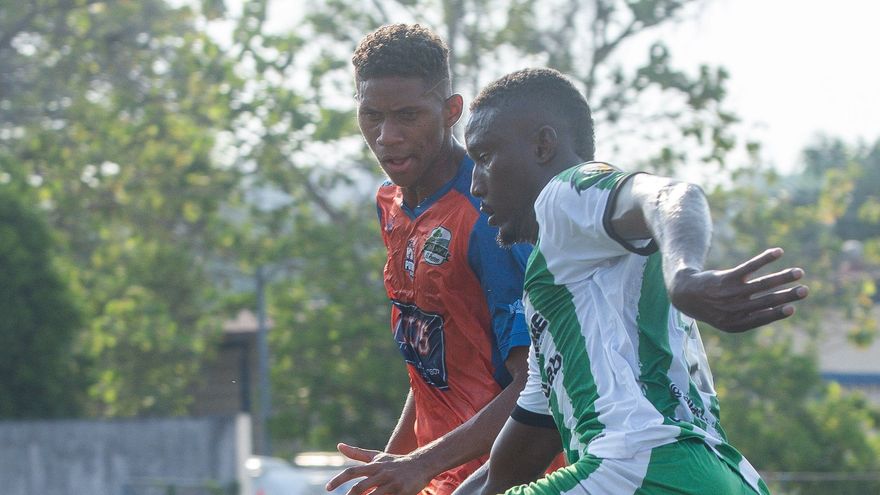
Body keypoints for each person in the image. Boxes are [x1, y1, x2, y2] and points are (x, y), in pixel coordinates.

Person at [453, 68, 809, 495]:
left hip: (640, 469)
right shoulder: (566, 316)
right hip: (725, 477)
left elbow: (673, 195)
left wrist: (685, 275)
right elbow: (504, 472)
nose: (475, 184)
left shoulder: (563, 195)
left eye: (485, 156)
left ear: (543, 145)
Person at [326, 25, 561, 495]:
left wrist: (421, 463)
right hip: (437, 477)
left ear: (451, 111)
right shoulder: (391, 204)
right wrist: (394, 466)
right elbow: (437, 368)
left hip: (508, 480)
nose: (387, 137)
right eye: (371, 116)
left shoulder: (490, 213)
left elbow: (540, 384)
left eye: (407, 116)